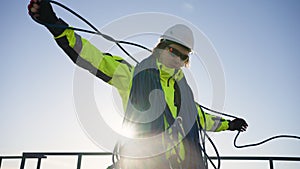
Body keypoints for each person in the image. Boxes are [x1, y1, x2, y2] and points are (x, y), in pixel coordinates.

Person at [28, 0, 248, 169]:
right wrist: (55, 25)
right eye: (173, 50)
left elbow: (204, 119)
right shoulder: (132, 75)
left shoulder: (184, 95)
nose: (178, 59)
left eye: (184, 56)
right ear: (161, 47)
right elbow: (92, 57)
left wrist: (231, 125)